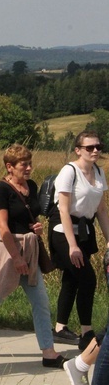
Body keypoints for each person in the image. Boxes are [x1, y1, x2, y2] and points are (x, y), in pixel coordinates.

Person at [0, 144, 65, 369]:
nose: (29, 168)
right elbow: (3, 227)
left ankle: (48, 351)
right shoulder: (0, 190)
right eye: (24, 165)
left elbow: (28, 216)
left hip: (29, 248)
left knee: (41, 303)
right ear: (10, 167)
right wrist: (16, 258)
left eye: (30, 163)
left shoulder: (31, 185)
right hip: (7, 250)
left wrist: (36, 228)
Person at [50, 132, 109, 346]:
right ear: (78, 150)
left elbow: (101, 209)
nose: (95, 151)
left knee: (72, 278)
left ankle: (60, 328)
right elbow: (64, 210)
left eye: (98, 147)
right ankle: (87, 332)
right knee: (88, 278)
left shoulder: (99, 172)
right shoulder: (69, 171)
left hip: (84, 230)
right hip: (62, 231)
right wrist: (72, 246)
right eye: (89, 147)